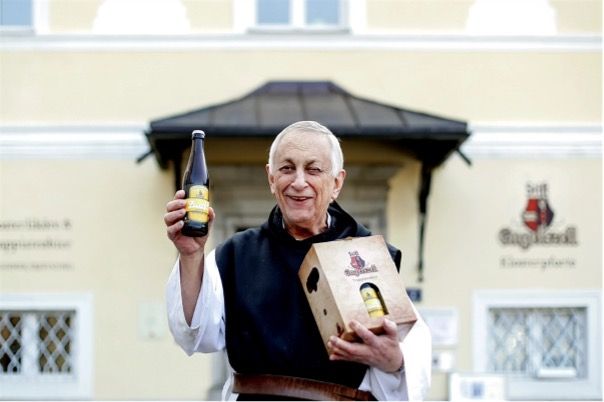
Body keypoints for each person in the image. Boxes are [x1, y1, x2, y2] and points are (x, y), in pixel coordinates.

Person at [164, 121, 432, 401]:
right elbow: (195, 335)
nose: (299, 182)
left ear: (337, 183)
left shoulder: (368, 257)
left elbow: (411, 352)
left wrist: (394, 361)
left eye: (314, 169)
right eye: (287, 168)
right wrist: (191, 255)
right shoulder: (236, 254)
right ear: (271, 178)